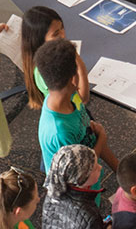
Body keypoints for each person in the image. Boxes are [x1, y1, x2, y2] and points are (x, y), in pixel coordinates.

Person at [35, 38, 118, 172]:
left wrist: (119, 169)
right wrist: (102, 138)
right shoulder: (60, 131)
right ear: (73, 79)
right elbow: (80, 171)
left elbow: (89, 136)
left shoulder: (72, 100)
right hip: (79, 189)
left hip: (90, 181)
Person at [18, 5, 90, 110]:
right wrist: (80, 65)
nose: (63, 35)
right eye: (56, 34)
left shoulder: (51, 57)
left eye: (62, 28)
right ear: (39, 41)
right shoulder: (48, 69)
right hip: (72, 112)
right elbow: (82, 99)